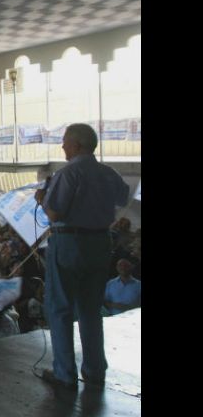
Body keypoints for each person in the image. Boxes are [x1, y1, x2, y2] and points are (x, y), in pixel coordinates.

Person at [34, 123, 130, 390]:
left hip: (69, 242)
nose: (62, 146)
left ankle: (65, 373)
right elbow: (122, 199)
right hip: (100, 242)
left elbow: (54, 213)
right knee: (90, 309)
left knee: (61, 307)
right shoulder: (108, 173)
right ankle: (95, 369)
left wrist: (42, 198)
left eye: (65, 142)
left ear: (76, 145)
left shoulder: (69, 173)